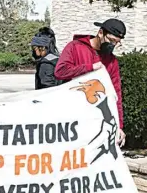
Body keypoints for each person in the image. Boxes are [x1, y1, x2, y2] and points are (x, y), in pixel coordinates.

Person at [54, 18, 126, 147]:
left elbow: (116, 95)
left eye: (117, 42)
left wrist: (119, 126)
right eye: (111, 40)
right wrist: (90, 67)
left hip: (95, 121)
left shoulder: (112, 61)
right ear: (100, 33)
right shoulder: (75, 47)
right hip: (71, 117)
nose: (113, 45)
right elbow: (60, 71)